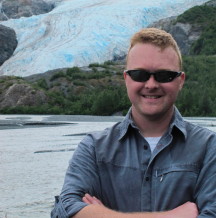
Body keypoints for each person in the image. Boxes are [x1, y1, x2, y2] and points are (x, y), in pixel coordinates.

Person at [51, 28, 216, 218]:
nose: (151, 84)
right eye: (140, 74)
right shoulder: (94, 148)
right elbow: (65, 211)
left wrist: (99, 214)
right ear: (126, 78)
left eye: (164, 76)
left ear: (180, 81)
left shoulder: (209, 148)